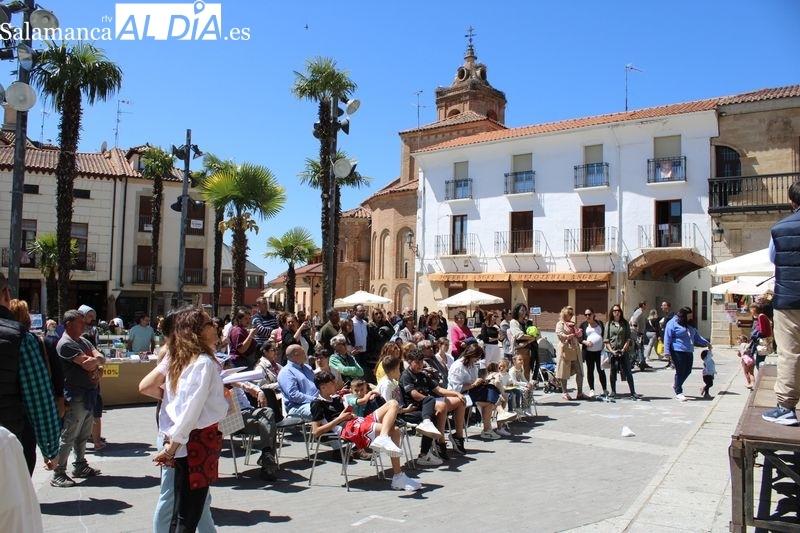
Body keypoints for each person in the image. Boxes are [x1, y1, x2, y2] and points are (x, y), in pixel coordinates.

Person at [138, 307, 216, 533]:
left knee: (194, 501)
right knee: (175, 500)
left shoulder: (189, 356)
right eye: (209, 323)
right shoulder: (185, 357)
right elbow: (147, 387)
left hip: (183, 437)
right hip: (184, 438)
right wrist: (172, 446)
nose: (215, 325)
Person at [310, 371, 421, 491]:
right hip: (346, 430)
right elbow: (316, 432)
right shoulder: (317, 404)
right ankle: (398, 476)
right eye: (332, 383)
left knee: (393, 404)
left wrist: (349, 415)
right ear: (323, 387)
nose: (335, 384)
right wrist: (339, 419)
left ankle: (384, 440)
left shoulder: (336, 398)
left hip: (356, 422)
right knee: (394, 430)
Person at [3, 293, 60, 476]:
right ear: (5, 294)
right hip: (10, 436)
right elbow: (39, 399)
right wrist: (50, 449)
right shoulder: (21, 338)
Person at [52, 310, 106, 487]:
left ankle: (80, 465)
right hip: (75, 395)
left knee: (83, 433)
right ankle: (59, 472)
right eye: (80, 322)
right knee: (69, 435)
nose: (84, 325)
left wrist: (94, 362)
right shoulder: (66, 344)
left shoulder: (82, 341)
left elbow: (100, 358)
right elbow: (91, 362)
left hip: (88, 393)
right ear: (68, 325)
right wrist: (94, 363)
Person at [762, 181, 800, 426]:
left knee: (790, 353)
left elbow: (773, 258)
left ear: (792, 202)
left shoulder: (780, 228)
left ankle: (786, 407)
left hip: (789, 299)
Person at [399, 349, 464, 460]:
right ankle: (440, 441)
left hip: (427, 404)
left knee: (461, 401)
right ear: (410, 362)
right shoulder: (406, 376)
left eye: (421, 362)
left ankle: (458, 436)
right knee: (441, 406)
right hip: (414, 407)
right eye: (417, 363)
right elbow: (414, 395)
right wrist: (430, 401)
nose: (420, 365)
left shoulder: (423, 374)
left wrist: (456, 393)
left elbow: (438, 390)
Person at [448, 343, 515, 440]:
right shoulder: (458, 366)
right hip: (459, 394)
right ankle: (493, 422)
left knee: (491, 388)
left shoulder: (472, 365)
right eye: (477, 357)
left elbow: (473, 381)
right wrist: (474, 384)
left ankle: (490, 427)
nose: (478, 360)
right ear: (471, 355)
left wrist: (481, 382)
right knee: (489, 400)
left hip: (471, 390)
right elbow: (456, 389)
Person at [662, 306, 711, 402]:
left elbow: (696, 336)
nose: (691, 317)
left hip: (689, 350)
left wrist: (706, 343)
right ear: (683, 316)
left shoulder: (689, 325)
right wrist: (666, 352)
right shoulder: (672, 323)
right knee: (680, 371)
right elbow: (667, 337)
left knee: (688, 370)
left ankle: (677, 384)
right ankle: (679, 392)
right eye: (689, 316)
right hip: (677, 350)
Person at [603, 305, 641, 400]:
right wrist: (612, 351)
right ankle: (613, 391)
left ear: (620, 312)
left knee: (628, 371)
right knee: (613, 372)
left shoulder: (625, 323)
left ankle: (633, 392)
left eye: (618, 310)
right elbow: (606, 339)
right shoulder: (609, 324)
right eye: (614, 310)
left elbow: (628, 337)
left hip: (624, 351)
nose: (616, 312)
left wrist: (624, 349)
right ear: (612, 312)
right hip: (612, 351)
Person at [277, 344, 319, 420]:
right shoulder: (286, 372)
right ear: (295, 356)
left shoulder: (308, 368)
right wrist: (314, 399)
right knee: (320, 409)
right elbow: (293, 395)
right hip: (297, 407)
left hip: (316, 401)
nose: (306, 354)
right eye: (303, 352)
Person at [555, 306, 586, 401]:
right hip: (565, 350)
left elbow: (578, 335)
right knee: (564, 372)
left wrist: (579, 333)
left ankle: (580, 393)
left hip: (575, 349)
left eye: (572, 314)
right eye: (570, 314)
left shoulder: (573, 324)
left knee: (580, 371)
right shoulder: (560, 324)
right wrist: (568, 336)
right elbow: (559, 334)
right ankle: (565, 393)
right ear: (564, 314)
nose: (571, 315)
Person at [579, 308, 607, 398]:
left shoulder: (600, 323)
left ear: (593, 314)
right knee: (590, 371)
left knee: (601, 370)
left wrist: (603, 343)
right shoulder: (583, 325)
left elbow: (604, 335)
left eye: (589, 314)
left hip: (599, 352)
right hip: (589, 352)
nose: (587, 316)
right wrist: (585, 342)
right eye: (586, 315)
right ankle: (592, 389)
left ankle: (605, 389)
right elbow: (579, 338)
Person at [508, 304, 536, 379]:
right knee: (518, 371)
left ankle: (527, 388)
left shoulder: (527, 322)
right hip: (519, 350)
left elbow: (536, 334)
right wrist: (532, 338)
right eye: (522, 310)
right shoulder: (514, 322)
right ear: (517, 311)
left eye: (525, 310)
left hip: (529, 349)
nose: (524, 312)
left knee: (527, 371)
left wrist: (532, 337)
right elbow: (519, 335)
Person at [748, 303, 772, 369]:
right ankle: (761, 376)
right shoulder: (761, 316)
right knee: (759, 362)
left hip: (762, 342)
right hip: (763, 341)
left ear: (754, 309)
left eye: (751, 308)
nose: (750, 310)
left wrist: (755, 336)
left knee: (759, 363)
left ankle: (761, 377)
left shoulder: (761, 316)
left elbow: (763, 331)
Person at [629, 301, 651, 371]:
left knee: (640, 348)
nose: (646, 307)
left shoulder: (640, 311)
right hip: (638, 333)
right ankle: (638, 363)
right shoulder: (639, 312)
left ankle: (642, 362)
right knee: (639, 348)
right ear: (643, 305)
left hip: (639, 333)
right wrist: (636, 329)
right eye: (645, 305)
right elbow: (634, 320)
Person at [658, 301, 675, 369]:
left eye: (663, 305)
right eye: (662, 305)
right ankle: (670, 362)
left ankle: (673, 363)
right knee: (668, 348)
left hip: (670, 334)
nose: (662, 307)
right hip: (666, 333)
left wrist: (663, 324)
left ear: (667, 306)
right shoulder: (667, 314)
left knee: (671, 349)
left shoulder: (671, 314)